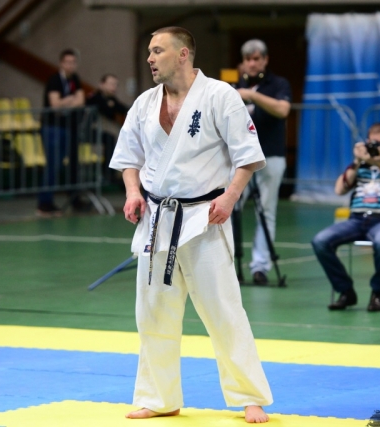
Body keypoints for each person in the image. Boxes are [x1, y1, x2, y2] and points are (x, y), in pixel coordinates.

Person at [109, 27, 273, 423]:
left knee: (223, 310)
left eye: (158, 51)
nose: (150, 58)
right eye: (150, 51)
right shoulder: (145, 103)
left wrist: (230, 196)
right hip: (156, 220)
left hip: (204, 218)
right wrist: (132, 192)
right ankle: (159, 397)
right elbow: (128, 157)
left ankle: (250, 396)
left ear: (183, 54)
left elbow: (247, 155)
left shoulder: (220, 96)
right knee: (153, 314)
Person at [311, 123, 380, 312]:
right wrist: (357, 161)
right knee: (320, 241)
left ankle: (378, 292)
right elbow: (339, 189)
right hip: (356, 219)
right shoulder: (361, 165)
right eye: (375, 143)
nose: (379, 147)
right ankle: (346, 291)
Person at [235, 39, 291, 285]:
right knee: (230, 208)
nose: (252, 63)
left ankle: (260, 267)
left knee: (266, 211)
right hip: (239, 159)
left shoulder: (278, 84)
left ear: (265, 60)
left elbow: (282, 110)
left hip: (270, 156)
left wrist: (251, 96)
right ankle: (228, 264)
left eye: (256, 58)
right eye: (248, 59)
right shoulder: (234, 86)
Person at [37, 48, 85, 216]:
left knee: (62, 164)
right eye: (67, 62)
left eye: (73, 62)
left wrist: (66, 102)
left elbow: (80, 100)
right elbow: (55, 105)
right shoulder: (55, 80)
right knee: (53, 164)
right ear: (61, 63)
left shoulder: (75, 79)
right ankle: (44, 203)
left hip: (67, 128)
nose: (70, 65)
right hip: (52, 128)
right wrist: (70, 100)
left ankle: (72, 199)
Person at [86, 74, 129, 176]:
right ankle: (108, 174)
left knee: (112, 139)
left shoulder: (111, 99)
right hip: (87, 131)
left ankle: (110, 174)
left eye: (116, 84)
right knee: (110, 139)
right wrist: (110, 106)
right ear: (101, 85)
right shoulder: (95, 97)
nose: (114, 87)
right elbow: (106, 109)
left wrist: (112, 105)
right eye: (111, 84)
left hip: (101, 131)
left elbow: (122, 108)